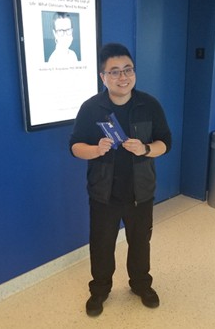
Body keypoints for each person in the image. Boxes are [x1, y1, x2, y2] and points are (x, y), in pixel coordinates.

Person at [69, 43, 171, 317]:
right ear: (103, 77)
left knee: (140, 242)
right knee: (101, 245)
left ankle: (141, 284)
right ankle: (99, 290)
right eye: (114, 72)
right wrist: (96, 150)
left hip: (141, 192)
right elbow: (75, 146)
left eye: (128, 70)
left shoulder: (148, 104)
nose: (123, 77)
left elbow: (166, 143)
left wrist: (146, 149)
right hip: (104, 194)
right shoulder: (91, 108)